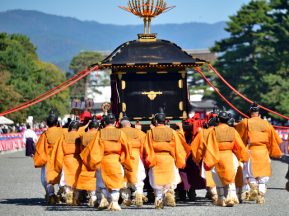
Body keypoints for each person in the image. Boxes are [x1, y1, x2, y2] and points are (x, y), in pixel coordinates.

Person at [80, 113, 133, 211]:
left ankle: (103, 200)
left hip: (102, 161)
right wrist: (123, 159)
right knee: (116, 184)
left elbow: (93, 149)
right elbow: (127, 148)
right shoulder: (120, 133)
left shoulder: (100, 133)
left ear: (104, 122)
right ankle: (115, 203)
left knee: (102, 184)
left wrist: (93, 162)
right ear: (115, 123)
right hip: (116, 161)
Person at [236, 103, 282, 204]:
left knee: (251, 174)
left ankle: (254, 188)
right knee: (263, 174)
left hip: (251, 151)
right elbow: (274, 138)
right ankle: (261, 194)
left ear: (250, 112)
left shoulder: (245, 122)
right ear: (258, 113)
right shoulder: (266, 123)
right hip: (263, 151)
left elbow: (237, 135)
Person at [204, 111, 248, 207]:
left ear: (218, 119)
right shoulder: (233, 131)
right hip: (230, 156)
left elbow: (210, 146)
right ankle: (231, 197)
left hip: (217, 156)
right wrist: (243, 157)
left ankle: (221, 199)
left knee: (217, 178)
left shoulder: (213, 131)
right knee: (231, 178)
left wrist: (208, 160)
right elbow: (239, 146)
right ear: (228, 119)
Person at [145, 111, 186, 209]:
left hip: (156, 158)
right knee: (169, 178)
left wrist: (149, 159)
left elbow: (147, 147)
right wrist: (178, 159)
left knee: (157, 180)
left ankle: (159, 200)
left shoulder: (150, 132)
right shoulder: (172, 131)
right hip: (169, 158)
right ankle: (168, 192)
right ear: (166, 121)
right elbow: (178, 147)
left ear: (155, 121)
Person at [34, 110, 64, 205]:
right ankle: (63, 193)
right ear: (57, 122)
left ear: (47, 123)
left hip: (49, 159)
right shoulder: (63, 132)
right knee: (63, 176)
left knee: (47, 179)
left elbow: (40, 148)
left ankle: (51, 195)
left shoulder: (45, 134)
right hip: (61, 157)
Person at [119, 115, 148, 207]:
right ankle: (139, 194)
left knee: (123, 178)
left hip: (122, 157)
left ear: (121, 124)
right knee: (138, 176)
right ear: (129, 123)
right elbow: (146, 144)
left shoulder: (118, 132)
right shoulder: (138, 132)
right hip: (136, 156)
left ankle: (126, 199)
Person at [191, 117, 219, 202]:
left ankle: (214, 194)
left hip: (209, 157)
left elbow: (196, 148)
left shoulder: (203, 132)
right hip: (224, 156)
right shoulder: (222, 131)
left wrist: (197, 159)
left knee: (210, 177)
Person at [77, 116, 100, 207]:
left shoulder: (83, 135)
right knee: (97, 178)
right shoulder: (99, 135)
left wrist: (85, 126)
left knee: (88, 178)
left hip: (86, 159)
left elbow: (80, 147)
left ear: (89, 127)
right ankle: (96, 197)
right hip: (97, 159)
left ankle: (92, 196)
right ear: (98, 127)